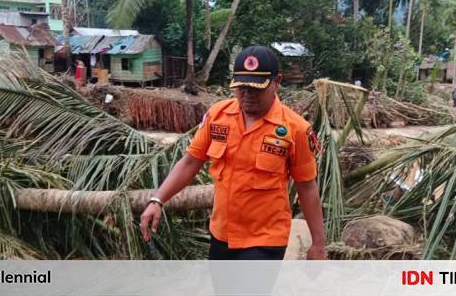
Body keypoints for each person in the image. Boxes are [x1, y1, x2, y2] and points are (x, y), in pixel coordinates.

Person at [139, 45, 326, 260]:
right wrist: (157, 200)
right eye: (241, 88)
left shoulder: (296, 129)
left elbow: (306, 186)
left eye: (256, 88)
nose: (247, 95)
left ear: (276, 82)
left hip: (264, 239)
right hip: (221, 234)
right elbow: (191, 162)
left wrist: (318, 243)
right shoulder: (218, 116)